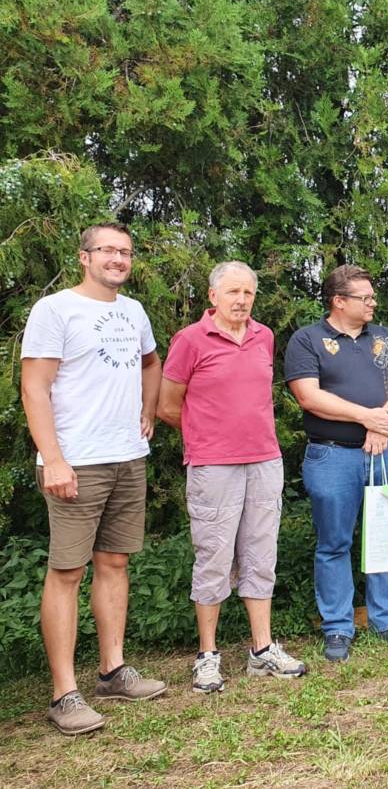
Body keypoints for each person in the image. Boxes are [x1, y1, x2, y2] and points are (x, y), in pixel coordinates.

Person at [20, 222, 166, 735]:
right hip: (75, 460)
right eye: (107, 250)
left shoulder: (133, 311)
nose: (117, 259)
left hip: (127, 455)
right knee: (67, 571)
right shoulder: (55, 309)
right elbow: (34, 388)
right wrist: (52, 458)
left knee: (115, 562)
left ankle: (113, 670)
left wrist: (148, 410)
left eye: (124, 252)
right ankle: (64, 694)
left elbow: (152, 364)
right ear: (84, 257)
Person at [158, 262, 306, 692]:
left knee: (261, 553)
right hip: (213, 466)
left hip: (264, 460)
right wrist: (208, 439)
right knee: (214, 558)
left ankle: (262, 650)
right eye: (233, 293)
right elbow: (168, 406)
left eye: (248, 293)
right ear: (213, 297)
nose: (241, 300)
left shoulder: (264, 336)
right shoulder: (189, 340)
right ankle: (207, 656)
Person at [284, 264, 388, 662]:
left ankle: (387, 620)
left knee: (383, 536)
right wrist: (366, 418)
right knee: (334, 543)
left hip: (384, 452)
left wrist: (384, 422)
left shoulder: (385, 337)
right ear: (338, 301)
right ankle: (338, 627)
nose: (373, 302)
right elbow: (309, 396)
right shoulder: (307, 340)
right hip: (332, 456)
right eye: (365, 297)